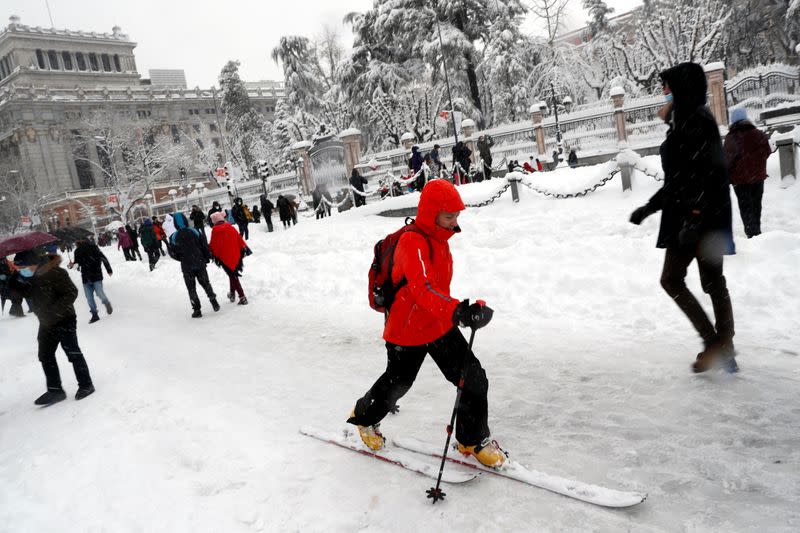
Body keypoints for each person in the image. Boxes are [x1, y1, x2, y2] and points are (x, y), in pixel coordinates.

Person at [347, 180, 505, 467]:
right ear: (431, 213)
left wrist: (465, 309)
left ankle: (471, 439)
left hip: (437, 323)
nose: (454, 222)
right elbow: (422, 289)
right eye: (449, 216)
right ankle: (364, 417)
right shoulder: (413, 241)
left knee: (473, 378)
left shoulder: (440, 241)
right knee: (398, 383)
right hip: (406, 330)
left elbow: (437, 290)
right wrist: (457, 311)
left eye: (457, 216)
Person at [629, 62, 737, 374]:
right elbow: (678, 178)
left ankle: (716, 343)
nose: (662, 91)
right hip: (698, 214)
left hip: (698, 216)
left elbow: (703, 174)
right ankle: (722, 346)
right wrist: (649, 208)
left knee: (675, 279)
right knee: (712, 282)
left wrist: (694, 213)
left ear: (682, 88)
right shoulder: (685, 119)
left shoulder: (694, 120)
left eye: (667, 86)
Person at [11, 249, 95, 405]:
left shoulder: (55, 272)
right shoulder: (30, 277)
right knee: (45, 354)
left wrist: (54, 311)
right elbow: (28, 295)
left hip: (64, 319)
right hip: (46, 323)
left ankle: (86, 384)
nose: (21, 271)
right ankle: (55, 391)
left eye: (22, 268)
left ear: (32, 264)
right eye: (19, 269)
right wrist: (16, 284)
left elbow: (72, 292)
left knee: (72, 352)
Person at [723, 107, 772, 239]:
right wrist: (756, 165)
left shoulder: (731, 138)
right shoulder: (759, 134)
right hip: (757, 176)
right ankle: (757, 231)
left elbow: (727, 160)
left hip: (740, 180)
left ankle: (751, 233)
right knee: (756, 204)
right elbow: (767, 151)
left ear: (733, 121)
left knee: (745, 207)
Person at [169, 212, 219, 318]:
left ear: (175, 224)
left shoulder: (174, 236)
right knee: (206, 283)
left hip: (187, 266)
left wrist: (182, 258)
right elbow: (204, 245)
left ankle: (197, 310)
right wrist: (206, 257)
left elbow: (172, 253)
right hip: (199, 262)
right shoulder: (194, 231)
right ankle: (214, 301)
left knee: (191, 288)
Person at [209, 211, 251, 305]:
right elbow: (238, 238)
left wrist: (210, 251)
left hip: (224, 257)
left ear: (214, 221)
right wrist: (244, 248)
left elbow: (214, 245)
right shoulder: (229, 226)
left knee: (233, 275)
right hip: (235, 254)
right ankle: (232, 294)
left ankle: (242, 296)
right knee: (232, 274)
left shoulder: (215, 230)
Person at [69, 238, 113, 324]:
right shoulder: (77, 251)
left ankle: (105, 303)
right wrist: (72, 265)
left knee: (97, 294)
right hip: (87, 277)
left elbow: (103, 258)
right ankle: (95, 314)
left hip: (95, 275)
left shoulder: (93, 248)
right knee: (91, 297)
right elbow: (78, 265)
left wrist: (109, 269)